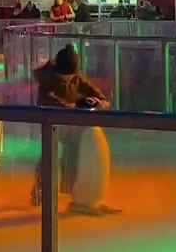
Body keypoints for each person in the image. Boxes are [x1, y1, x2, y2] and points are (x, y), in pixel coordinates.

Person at [31, 45, 119, 216]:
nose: (68, 79)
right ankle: (38, 192)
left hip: (70, 124)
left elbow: (101, 97)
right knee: (49, 158)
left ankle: (77, 195)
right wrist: (74, 106)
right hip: (50, 123)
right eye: (66, 76)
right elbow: (48, 101)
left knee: (71, 156)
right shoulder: (48, 79)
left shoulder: (75, 77)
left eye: (71, 76)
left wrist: (95, 102)